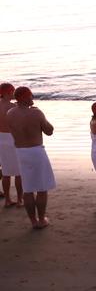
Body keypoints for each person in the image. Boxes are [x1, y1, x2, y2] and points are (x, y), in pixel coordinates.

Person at [7, 87, 55, 229]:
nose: (32, 98)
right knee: (41, 188)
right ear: (23, 97)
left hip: (21, 152)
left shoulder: (10, 113)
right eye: (30, 95)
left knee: (28, 188)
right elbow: (49, 131)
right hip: (36, 151)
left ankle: (33, 221)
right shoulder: (36, 113)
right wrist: (41, 116)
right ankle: (41, 219)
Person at [0, 83, 23, 208]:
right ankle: (20, 199)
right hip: (11, 139)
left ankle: (8, 199)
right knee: (19, 172)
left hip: (0, 138)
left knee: (6, 172)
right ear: (9, 92)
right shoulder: (13, 107)